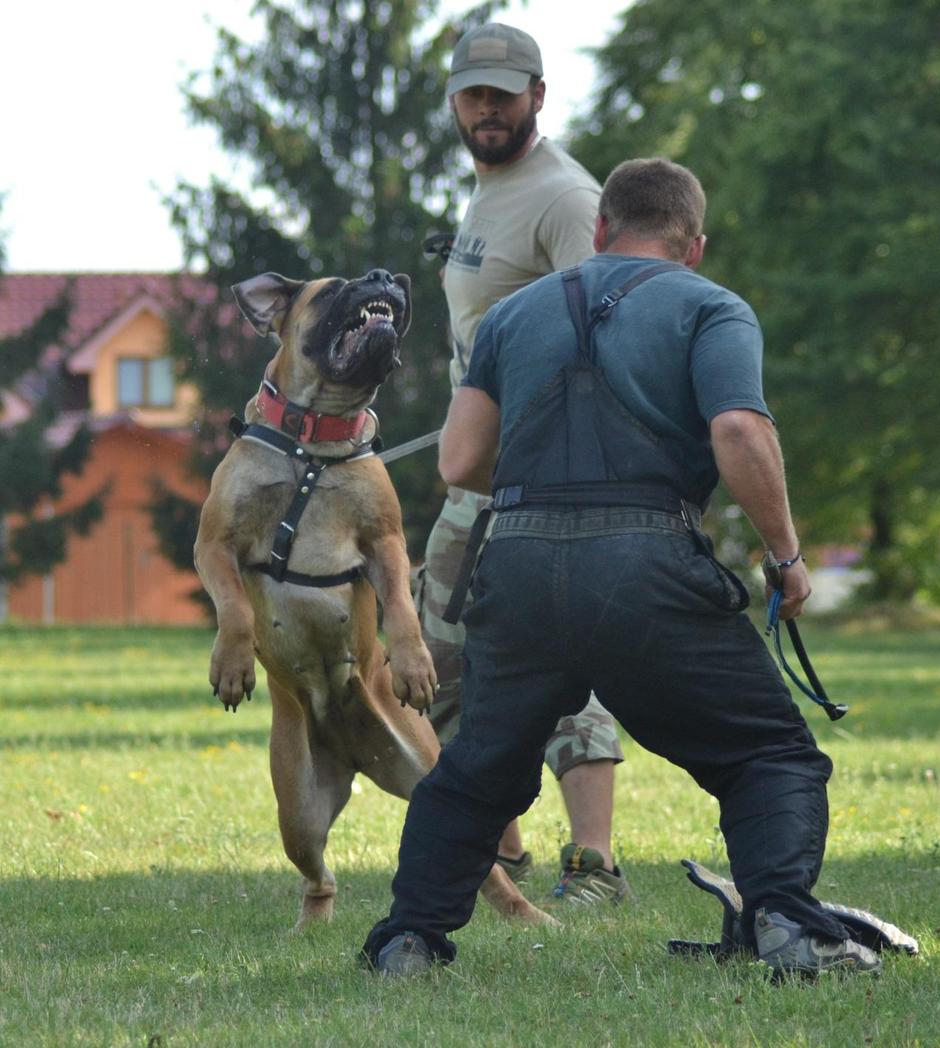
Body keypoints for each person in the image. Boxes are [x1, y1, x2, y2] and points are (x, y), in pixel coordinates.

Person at [363, 157, 883, 978]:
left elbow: (460, 460)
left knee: (479, 770)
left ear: (600, 229)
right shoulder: (712, 306)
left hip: (520, 564)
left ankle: (407, 941)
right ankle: (784, 921)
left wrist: (553, 499)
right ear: (695, 245)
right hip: (650, 562)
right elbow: (741, 434)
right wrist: (786, 556)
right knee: (769, 755)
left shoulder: (510, 315)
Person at [418, 21, 628, 902]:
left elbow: (609, 328)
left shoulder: (564, 199)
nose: (488, 108)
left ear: (539, 94)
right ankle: (500, 853)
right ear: (456, 102)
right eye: (474, 93)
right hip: (478, 477)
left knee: (556, 654)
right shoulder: (490, 189)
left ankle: (595, 865)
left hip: (544, 476)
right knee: (437, 662)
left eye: (505, 93)